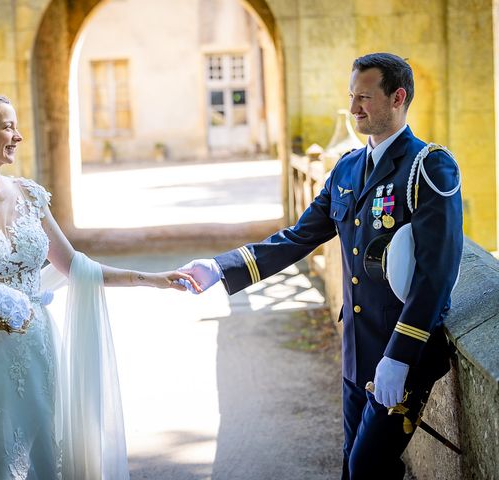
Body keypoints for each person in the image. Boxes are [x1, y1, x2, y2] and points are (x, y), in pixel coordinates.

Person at [0, 94, 200, 479]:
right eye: (8, 127)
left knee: (45, 450)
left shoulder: (30, 195)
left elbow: (76, 266)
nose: (18, 136)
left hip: (38, 347)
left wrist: (153, 280)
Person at [178, 53, 463, 479]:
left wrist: (400, 355)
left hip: (402, 354)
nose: (353, 109)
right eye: (352, 96)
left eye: (364, 97)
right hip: (356, 350)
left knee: (369, 466)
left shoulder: (428, 167)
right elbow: (299, 236)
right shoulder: (347, 167)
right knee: (354, 463)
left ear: (398, 97)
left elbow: (436, 273)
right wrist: (222, 267)